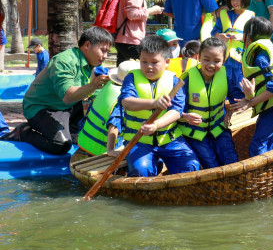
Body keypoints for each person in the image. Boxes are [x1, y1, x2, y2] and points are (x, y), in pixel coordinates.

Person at [16, 27, 113, 155]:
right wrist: (93, 85)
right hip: (41, 108)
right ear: (87, 45)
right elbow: (67, 96)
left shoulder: (93, 64)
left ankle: (73, 131)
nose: (105, 56)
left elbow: (93, 97)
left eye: (108, 52)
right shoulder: (64, 61)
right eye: (103, 50)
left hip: (65, 107)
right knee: (61, 145)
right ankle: (23, 132)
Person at [120, 35, 201, 177]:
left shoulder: (175, 81)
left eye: (154, 62)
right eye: (144, 62)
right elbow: (127, 102)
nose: (148, 67)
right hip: (139, 141)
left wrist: (156, 125)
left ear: (167, 62)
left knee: (191, 166)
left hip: (170, 139)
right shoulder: (131, 78)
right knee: (141, 171)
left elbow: (176, 111)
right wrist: (154, 102)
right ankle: (154, 166)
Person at [230, 17, 273, 156]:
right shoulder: (263, 50)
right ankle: (270, 174)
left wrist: (250, 103)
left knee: (257, 147)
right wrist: (249, 96)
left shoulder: (260, 56)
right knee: (270, 146)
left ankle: (260, 176)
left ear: (248, 36)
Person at [179, 37, 244, 169]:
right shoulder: (187, 77)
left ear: (224, 60)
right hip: (195, 133)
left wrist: (247, 96)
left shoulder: (226, 75)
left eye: (217, 61)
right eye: (206, 59)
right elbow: (175, 108)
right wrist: (185, 116)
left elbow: (238, 99)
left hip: (218, 128)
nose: (211, 65)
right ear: (199, 57)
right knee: (212, 165)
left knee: (231, 161)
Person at [76, 60, 138, 156]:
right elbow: (114, 126)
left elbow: (96, 70)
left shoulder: (110, 83)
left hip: (84, 139)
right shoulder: (122, 99)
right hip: (100, 149)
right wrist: (110, 150)